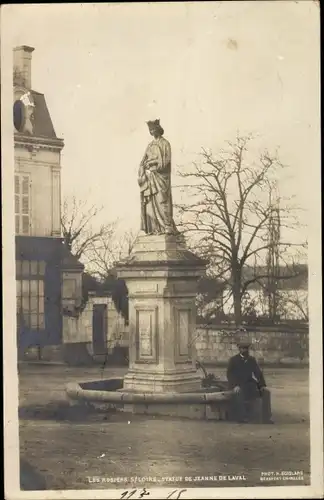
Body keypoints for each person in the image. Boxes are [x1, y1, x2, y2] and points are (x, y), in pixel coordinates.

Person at [138, 119, 178, 235]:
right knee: (150, 203)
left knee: (162, 201)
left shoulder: (165, 143)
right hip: (150, 178)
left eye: (153, 129)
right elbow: (142, 162)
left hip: (161, 177)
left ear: (158, 130)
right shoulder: (150, 146)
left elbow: (166, 161)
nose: (152, 131)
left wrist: (153, 164)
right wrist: (143, 170)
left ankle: (167, 226)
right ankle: (154, 228)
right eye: (150, 130)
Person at [226, 334, 273, 424]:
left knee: (266, 392)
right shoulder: (233, 360)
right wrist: (235, 385)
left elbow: (258, 373)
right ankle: (242, 417)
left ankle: (266, 417)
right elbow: (229, 375)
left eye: (246, 348)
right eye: (243, 348)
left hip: (250, 385)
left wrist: (262, 385)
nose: (245, 350)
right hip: (238, 385)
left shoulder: (251, 360)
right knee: (239, 393)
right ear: (239, 349)